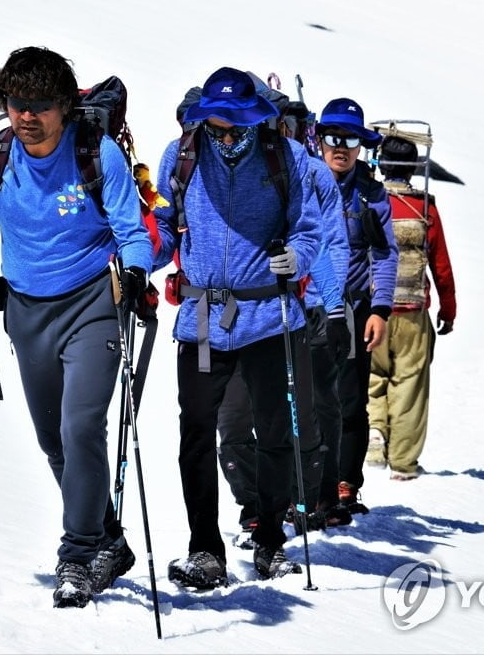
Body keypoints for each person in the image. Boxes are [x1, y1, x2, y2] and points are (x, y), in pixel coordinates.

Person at [0, 47, 153, 609]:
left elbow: (130, 227)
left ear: (64, 107)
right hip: (25, 312)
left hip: (92, 304)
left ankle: (78, 553)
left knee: (81, 425)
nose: (27, 117)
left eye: (40, 106)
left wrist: (136, 271)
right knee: (53, 442)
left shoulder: (98, 154)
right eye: (18, 104)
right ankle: (109, 540)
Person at [152, 67, 321, 589]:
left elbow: (311, 227)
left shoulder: (284, 156)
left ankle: (270, 539)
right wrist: (140, 261)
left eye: (236, 127)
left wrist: (297, 256)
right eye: (217, 127)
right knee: (196, 434)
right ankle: (205, 549)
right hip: (203, 319)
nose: (226, 137)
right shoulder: (180, 155)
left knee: (273, 432)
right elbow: (162, 226)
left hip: (269, 315)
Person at [215, 96, 354, 538]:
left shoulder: (311, 173)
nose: (283, 132)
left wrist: (334, 309)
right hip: (245, 312)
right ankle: (257, 502)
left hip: (305, 311)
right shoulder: (225, 167)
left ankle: (312, 497)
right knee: (238, 418)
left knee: (309, 413)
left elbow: (330, 242)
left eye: (290, 124)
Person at [317, 97, 399, 512]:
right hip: (306, 309)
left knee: (350, 400)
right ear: (318, 138)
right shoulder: (302, 184)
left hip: (353, 309)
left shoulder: (371, 194)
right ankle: (311, 481)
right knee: (309, 399)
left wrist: (380, 310)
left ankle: (346, 482)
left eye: (349, 139)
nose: (340, 146)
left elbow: (385, 255)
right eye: (332, 136)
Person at [367, 135, 456, 480]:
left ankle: (374, 430)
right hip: (412, 310)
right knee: (409, 384)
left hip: (373, 308)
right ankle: (403, 463)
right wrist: (448, 309)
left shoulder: (370, 200)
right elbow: (441, 266)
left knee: (371, 376)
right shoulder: (425, 208)